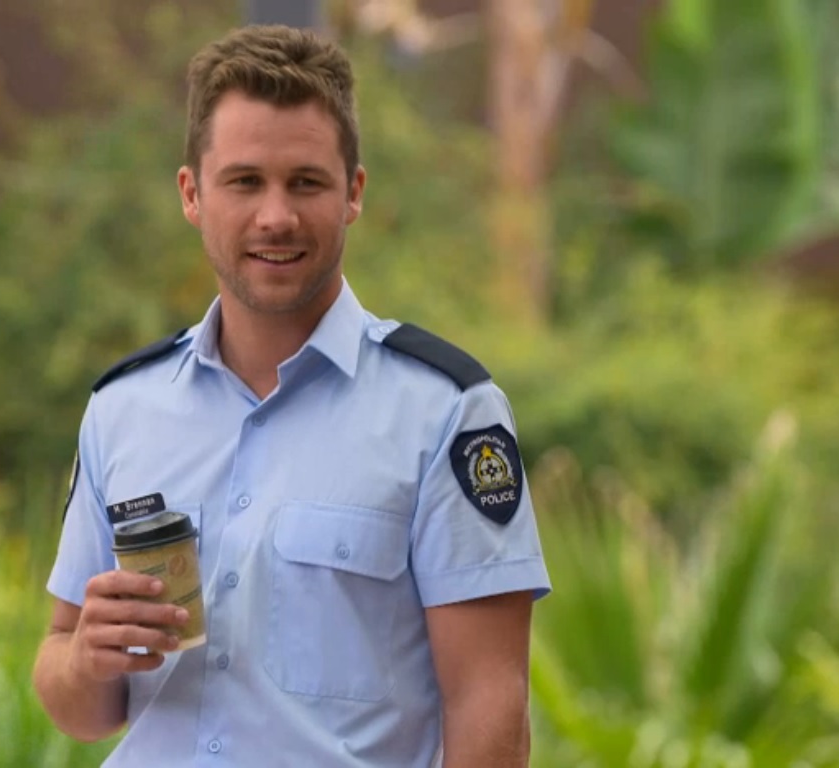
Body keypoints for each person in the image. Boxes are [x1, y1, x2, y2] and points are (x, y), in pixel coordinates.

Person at [33, 24, 551, 768]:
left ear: (354, 193)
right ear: (191, 194)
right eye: (244, 181)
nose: (276, 216)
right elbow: (74, 701)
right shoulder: (122, 410)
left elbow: (489, 706)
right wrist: (87, 658)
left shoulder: (445, 413)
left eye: (305, 182)